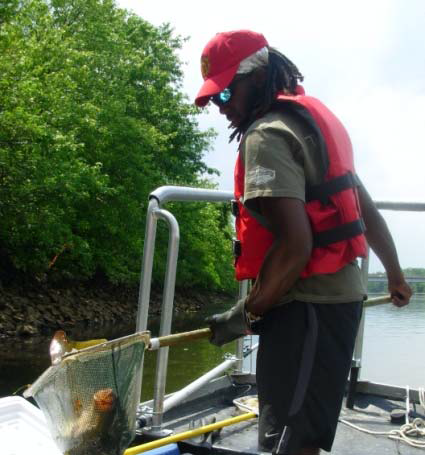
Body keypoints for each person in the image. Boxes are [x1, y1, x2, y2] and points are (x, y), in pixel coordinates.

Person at [195, 30, 413, 455]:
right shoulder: (313, 124)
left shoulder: (266, 135)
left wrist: (243, 315)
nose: (222, 109)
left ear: (257, 77)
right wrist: (396, 275)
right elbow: (366, 210)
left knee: (289, 441)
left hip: (305, 307)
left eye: (225, 96)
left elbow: (296, 246)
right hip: (338, 300)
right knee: (301, 433)